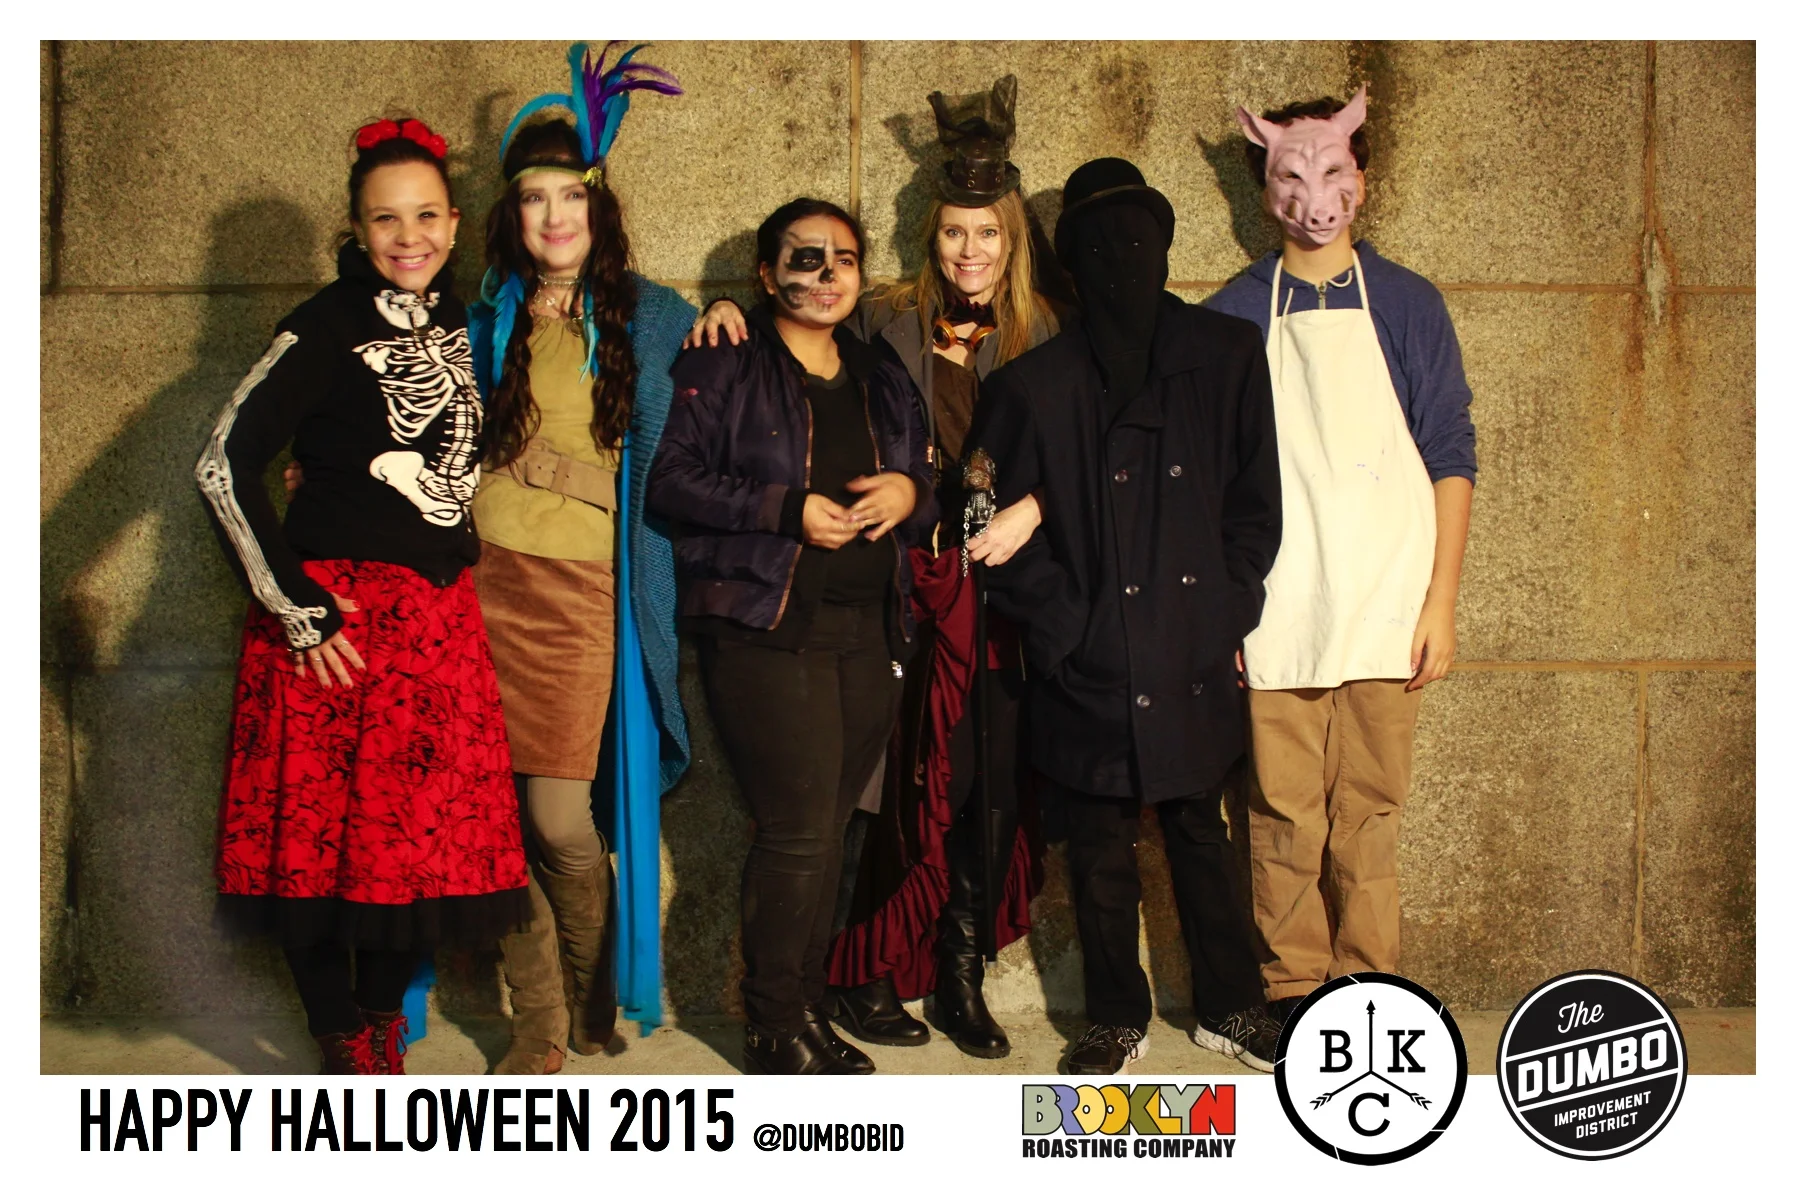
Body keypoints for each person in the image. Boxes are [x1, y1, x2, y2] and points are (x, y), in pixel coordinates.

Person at [685, 76, 1060, 1060]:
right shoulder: (882, 324)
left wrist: (1031, 508)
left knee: (976, 788)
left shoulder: (1046, 331)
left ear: (1013, 238)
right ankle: (853, 980)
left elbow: (1090, 452)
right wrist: (725, 305)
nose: (970, 250)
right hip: (899, 593)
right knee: (873, 798)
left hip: (1001, 595)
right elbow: (790, 330)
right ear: (931, 239)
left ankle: (954, 980)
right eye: (954, 233)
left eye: (988, 232)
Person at [195, 117, 528, 1075]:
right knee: (314, 842)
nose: (408, 236)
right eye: (386, 219)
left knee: (420, 845)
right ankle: (340, 1036)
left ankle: (381, 1024)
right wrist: (296, 609)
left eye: (425, 216)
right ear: (356, 227)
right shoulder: (322, 324)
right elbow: (220, 465)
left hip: (438, 623)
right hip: (340, 626)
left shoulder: (463, 321)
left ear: (454, 224)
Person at [970, 157, 1285, 1075]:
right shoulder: (1034, 384)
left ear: (1165, 245)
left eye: (1139, 240)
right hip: (1088, 655)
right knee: (1098, 844)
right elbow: (981, 517)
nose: (1123, 261)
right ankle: (1113, 1016)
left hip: (1191, 645)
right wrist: (1063, 628)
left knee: (1201, 832)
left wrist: (1224, 608)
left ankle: (1235, 1004)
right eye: (1100, 247)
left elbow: (1255, 505)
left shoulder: (1226, 355)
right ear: (1071, 263)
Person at [1204, 89, 1476, 1023]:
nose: (1315, 195)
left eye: (1334, 169)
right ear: (1265, 186)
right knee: (1280, 811)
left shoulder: (1407, 303)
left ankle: (1370, 989)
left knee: (1370, 812)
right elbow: (1209, 476)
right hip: (1277, 604)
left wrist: (1439, 601)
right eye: (1293, 174)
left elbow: (1450, 452)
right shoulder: (1235, 312)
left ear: (1361, 175)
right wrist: (1225, 613)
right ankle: (1290, 989)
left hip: (1389, 598)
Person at [648, 198, 936, 1074]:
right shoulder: (727, 359)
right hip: (767, 628)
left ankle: (806, 1008)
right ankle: (773, 1025)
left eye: (843, 258)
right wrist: (785, 509)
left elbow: (924, 473)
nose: (826, 273)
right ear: (767, 274)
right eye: (804, 258)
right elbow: (671, 479)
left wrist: (909, 493)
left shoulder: (879, 370)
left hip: (869, 629)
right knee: (799, 830)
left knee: (832, 829)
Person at [466, 42, 693, 1074]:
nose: (554, 216)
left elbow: (723, 397)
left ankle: (598, 981)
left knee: (559, 820)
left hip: (578, 594)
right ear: (511, 215)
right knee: (490, 821)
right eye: (533, 198)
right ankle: (541, 1022)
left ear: (597, 205)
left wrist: (723, 314)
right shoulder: (486, 316)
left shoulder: (652, 315)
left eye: (571, 195)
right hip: (477, 586)